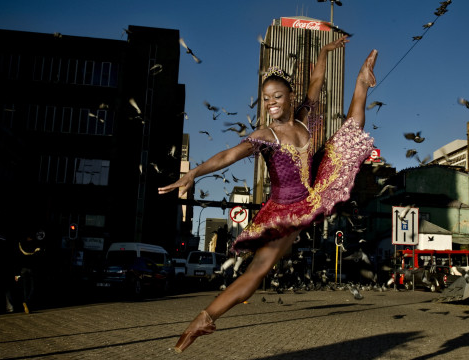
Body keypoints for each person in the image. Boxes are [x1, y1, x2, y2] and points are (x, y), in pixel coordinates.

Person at [158, 35, 378, 353]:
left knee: (349, 132)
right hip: (286, 209)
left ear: (290, 97)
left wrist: (325, 52)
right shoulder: (266, 135)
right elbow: (228, 156)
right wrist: (194, 172)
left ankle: (361, 81)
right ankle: (203, 319)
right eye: (265, 98)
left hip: (312, 192)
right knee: (259, 270)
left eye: (277, 96)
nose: (271, 102)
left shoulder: (304, 119)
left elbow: (316, 81)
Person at [17, 234, 44, 314]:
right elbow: (39, 257)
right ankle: (27, 302)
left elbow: (17, 259)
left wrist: (17, 273)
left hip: (23, 269)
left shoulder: (21, 244)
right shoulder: (34, 245)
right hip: (31, 269)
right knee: (33, 287)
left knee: (25, 288)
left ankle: (26, 304)